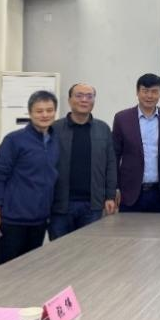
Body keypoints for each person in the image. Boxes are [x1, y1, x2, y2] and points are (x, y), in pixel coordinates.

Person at [0, 90, 59, 264]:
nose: (45, 115)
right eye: (39, 111)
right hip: (12, 221)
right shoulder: (14, 140)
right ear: (30, 113)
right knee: (7, 273)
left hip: (39, 220)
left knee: (30, 271)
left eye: (49, 110)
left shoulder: (55, 141)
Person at [49, 83, 117, 240]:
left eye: (89, 96)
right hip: (60, 205)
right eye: (79, 96)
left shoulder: (103, 129)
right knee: (59, 250)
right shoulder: (55, 129)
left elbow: (111, 165)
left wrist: (110, 196)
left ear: (94, 101)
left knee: (89, 250)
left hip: (93, 205)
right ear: (69, 100)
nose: (84, 100)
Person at [113, 74, 160, 212]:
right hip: (130, 192)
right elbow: (115, 156)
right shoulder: (122, 118)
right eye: (145, 91)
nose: (149, 96)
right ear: (137, 92)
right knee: (129, 226)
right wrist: (115, 187)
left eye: (154, 91)